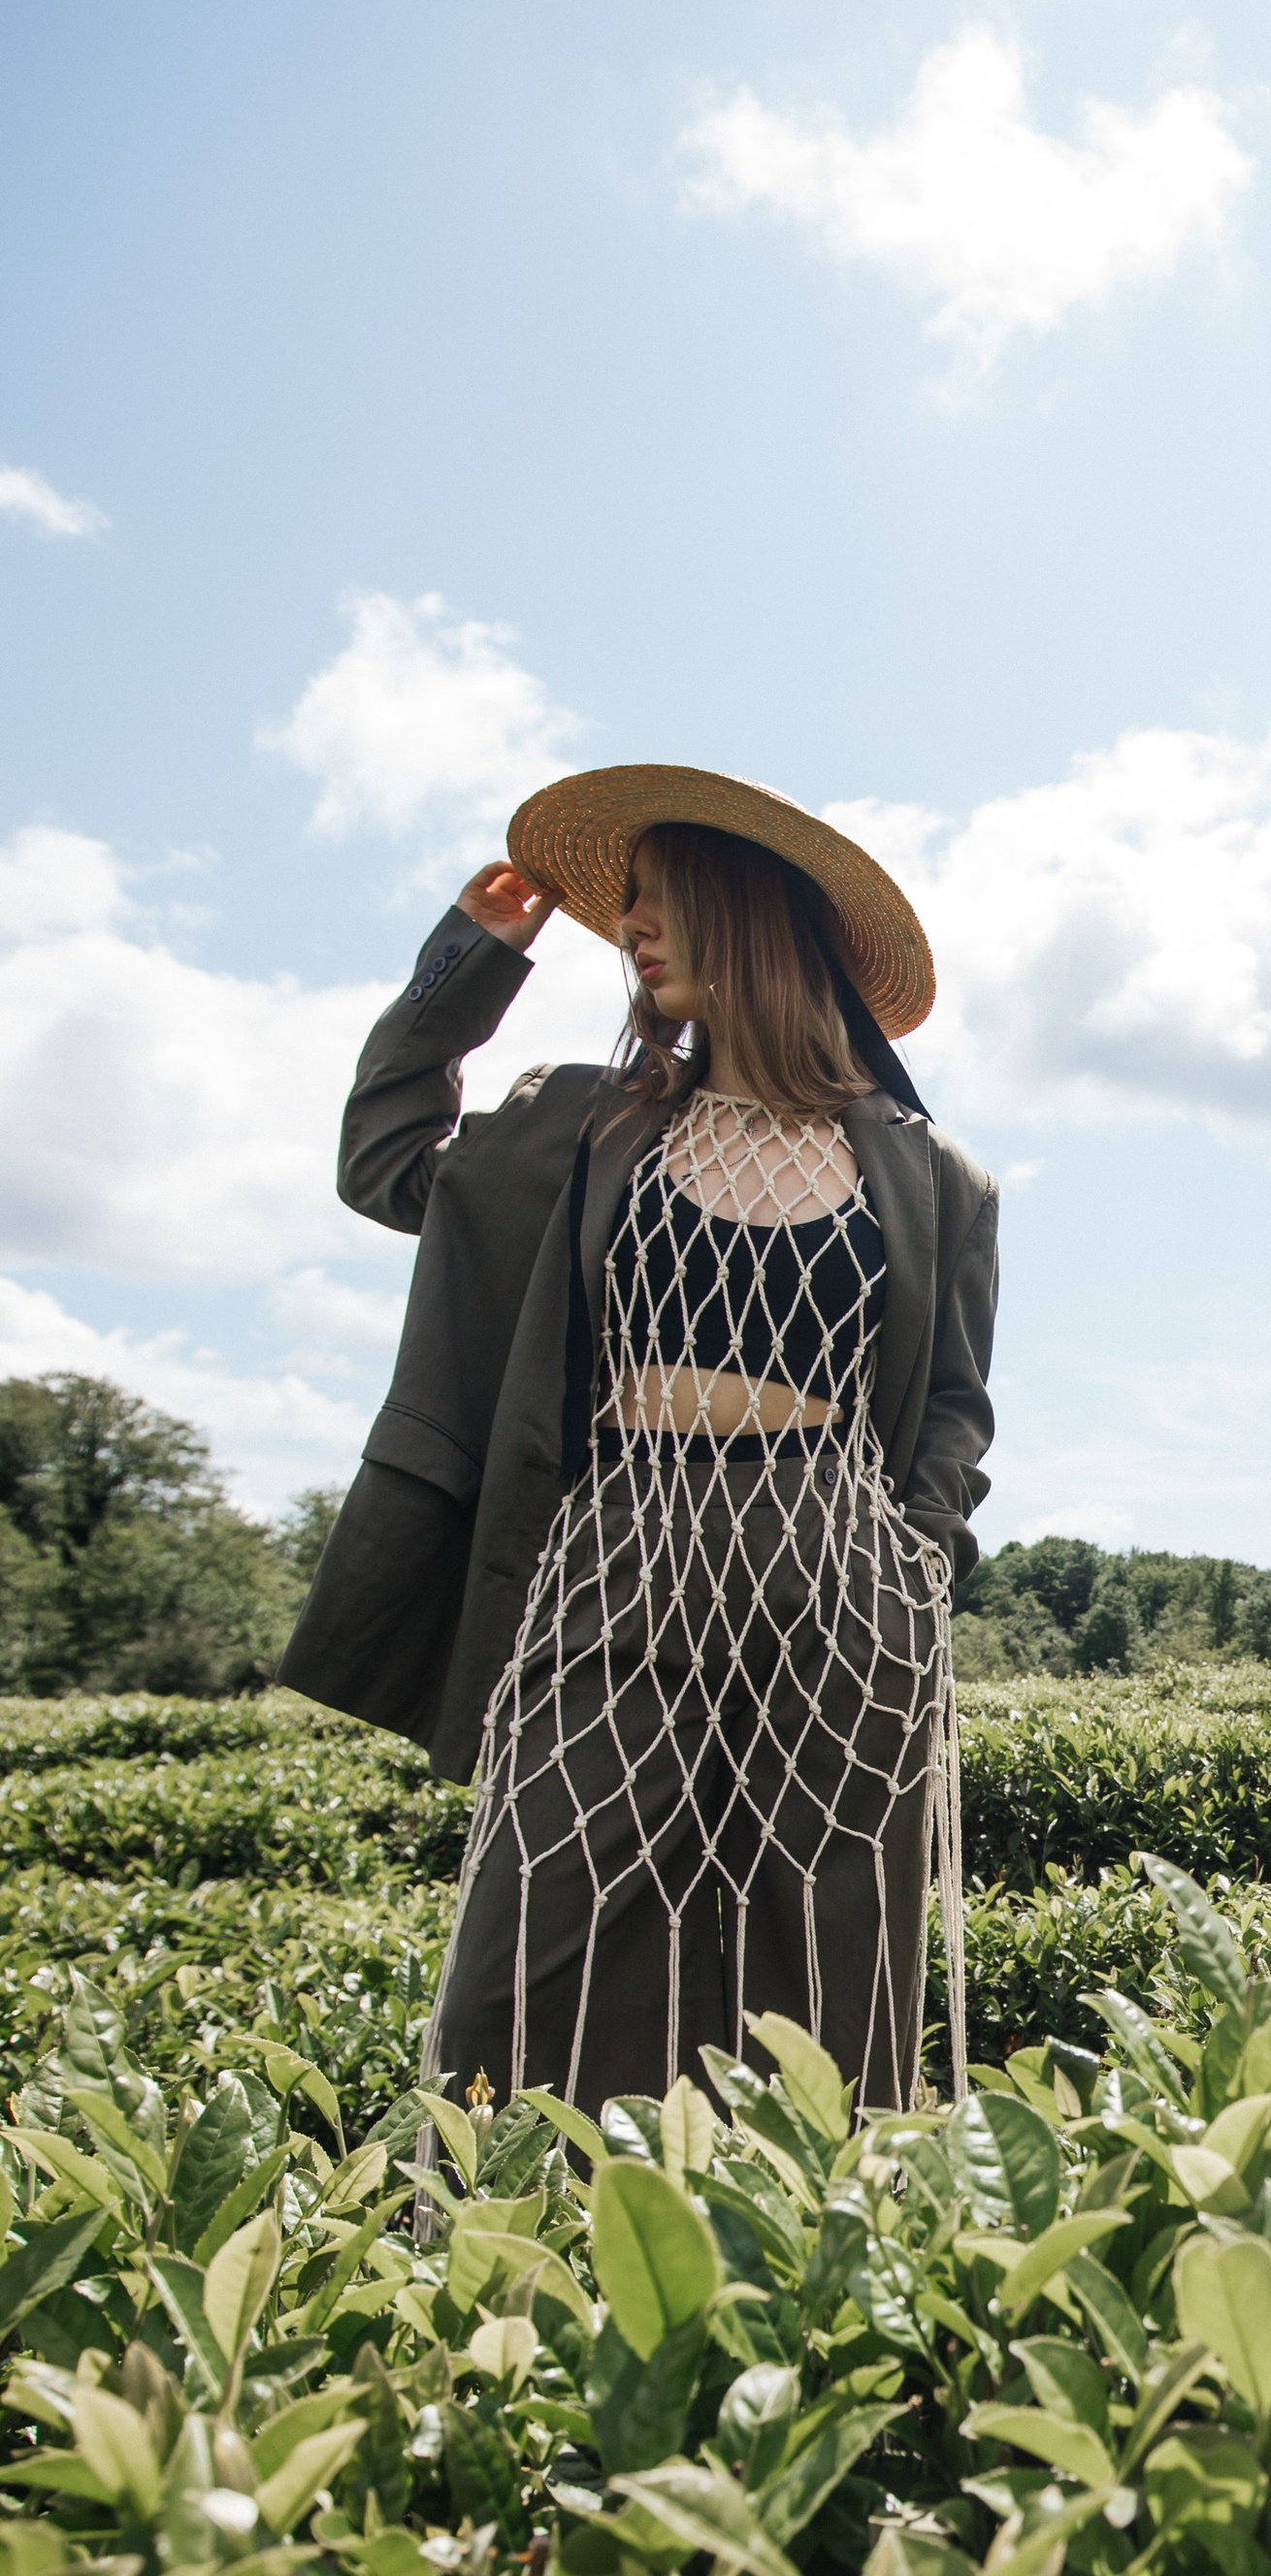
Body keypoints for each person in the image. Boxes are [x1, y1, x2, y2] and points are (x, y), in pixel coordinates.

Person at [280, 765, 997, 2115]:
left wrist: (919, 1553)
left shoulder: (931, 1173)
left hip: (838, 1563)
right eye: (630, 907)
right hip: (617, 1538)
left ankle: (818, 2222)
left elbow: (954, 1402)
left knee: (831, 1957)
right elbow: (383, 1160)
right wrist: (470, 961)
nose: (633, 931)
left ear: (754, 921)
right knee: (530, 1938)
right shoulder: (581, 1121)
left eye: (666, 902)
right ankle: (520, 2217)